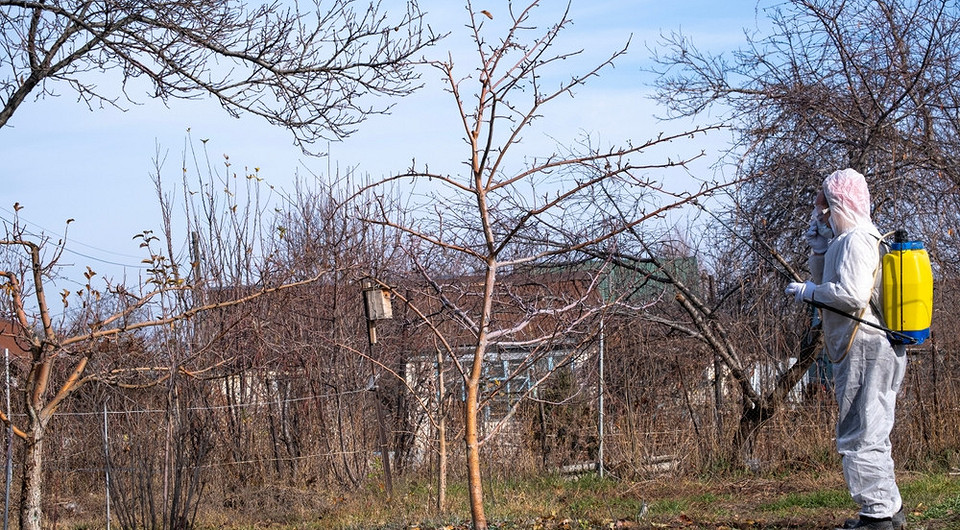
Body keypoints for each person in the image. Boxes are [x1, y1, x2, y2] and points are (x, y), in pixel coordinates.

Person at [785, 168, 907, 530]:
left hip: (866, 347)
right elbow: (833, 280)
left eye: (824, 207)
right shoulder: (849, 239)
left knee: (860, 432)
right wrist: (819, 249)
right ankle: (887, 508)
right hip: (868, 347)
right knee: (872, 429)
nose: (820, 214)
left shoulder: (857, 239)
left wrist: (809, 292)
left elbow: (850, 296)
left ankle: (876, 517)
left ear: (840, 203)